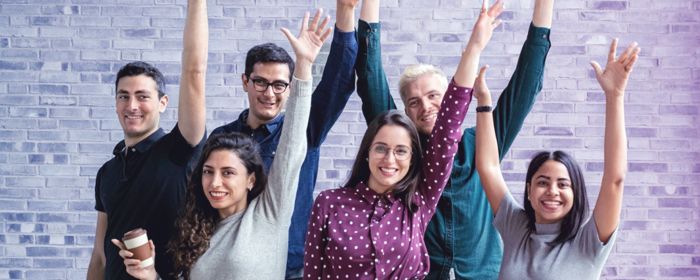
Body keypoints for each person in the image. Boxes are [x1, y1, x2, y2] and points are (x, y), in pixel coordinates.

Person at [111, 9, 332, 280]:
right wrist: (150, 275)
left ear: (251, 179)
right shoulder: (197, 231)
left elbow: (292, 147)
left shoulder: (268, 216)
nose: (215, 182)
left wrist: (304, 67)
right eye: (208, 171)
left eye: (228, 172)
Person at [354, 0, 553, 278]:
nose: (425, 107)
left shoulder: (483, 142)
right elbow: (369, 77)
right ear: (407, 112)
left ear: (450, 96)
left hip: (482, 273)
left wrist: (544, 8)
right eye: (414, 102)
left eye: (433, 96)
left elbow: (526, 85)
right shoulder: (403, 153)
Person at [303, 2, 501, 278]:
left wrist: (474, 48)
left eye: (401, 151)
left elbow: (448, 126)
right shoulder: (329, 203)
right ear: (367, 153)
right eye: (381, 148)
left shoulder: (418, 202)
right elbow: (313, 273)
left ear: (412, 160)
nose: (390, 159)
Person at [208, 2, 360, 277]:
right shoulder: (221, 138)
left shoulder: (304, 129)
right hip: (231, 263)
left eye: (279, 85)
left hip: (292, 265)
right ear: (245, 82)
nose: (270, 93)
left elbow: (340, 80)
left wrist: (346, 14)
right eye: (260, 82)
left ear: (290, 88)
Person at [474, 38, 639, 279]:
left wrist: (614, 96)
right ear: (529, 190)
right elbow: (488, 167)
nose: (552, 191)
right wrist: (483, 104)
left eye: (563, 184)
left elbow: (615, 178)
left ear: (576, 193)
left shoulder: (589, 242)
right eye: (542, 182)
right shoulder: (516, 228)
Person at [86, 0, 208, 279]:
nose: (132, 106)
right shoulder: (108, 172)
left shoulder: (180, 149)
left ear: (163, 103)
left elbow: (194, 72)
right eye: (123, 96)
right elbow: (100, 257)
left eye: (142, 96)